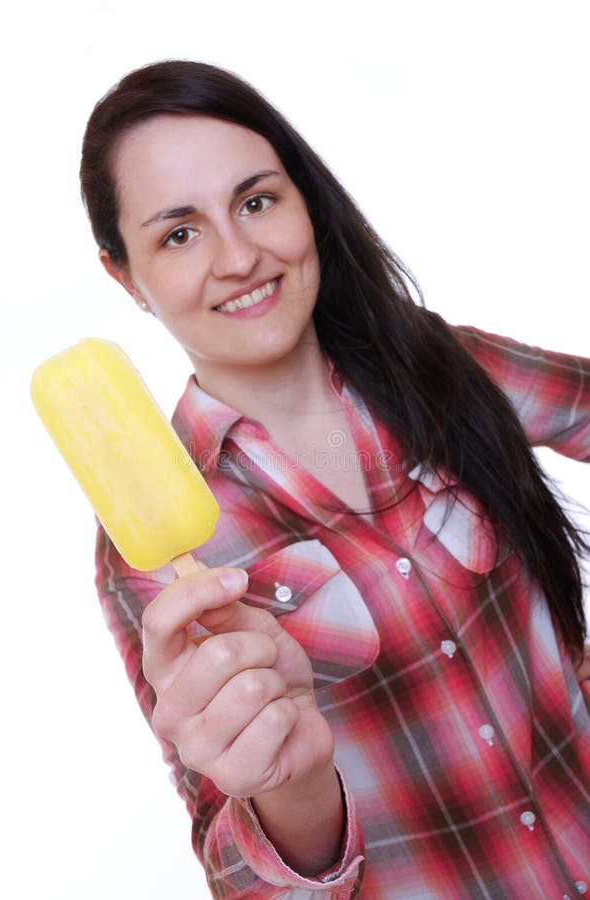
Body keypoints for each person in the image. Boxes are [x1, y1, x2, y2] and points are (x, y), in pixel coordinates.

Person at [81, 60, 589, 898]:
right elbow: (237, 872)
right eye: (179, 233)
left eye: (256, 201)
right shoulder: (151, 551)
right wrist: (292, 795)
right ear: (126, 277)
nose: (239, 256)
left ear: (303, 201)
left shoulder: (439, 367)